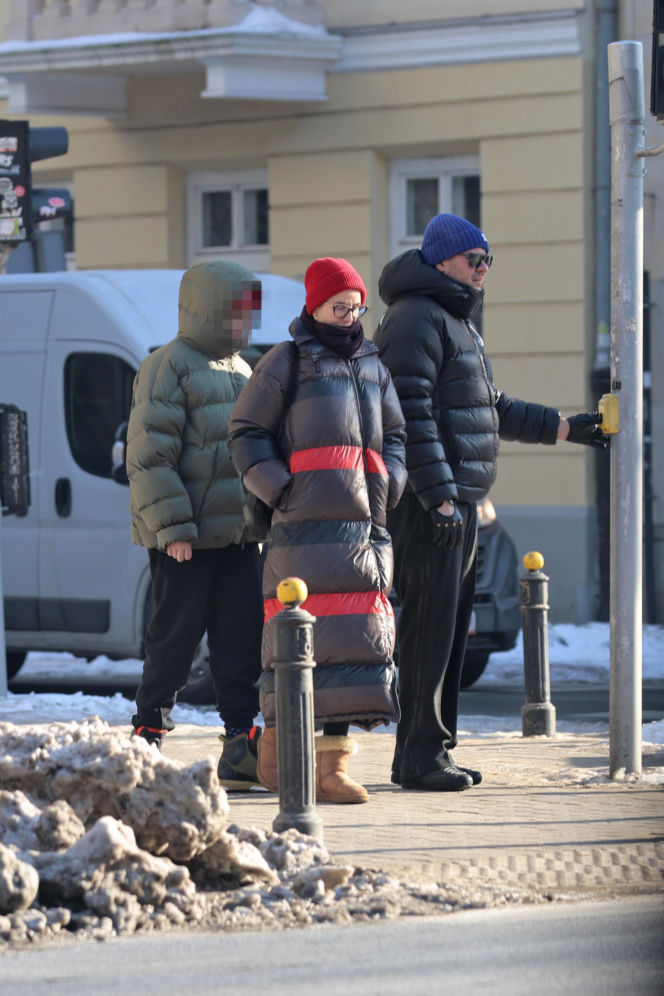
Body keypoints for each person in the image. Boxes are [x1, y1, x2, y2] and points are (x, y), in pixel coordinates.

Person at [374, 213, 608, 792]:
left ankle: (435, 751)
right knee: (429, 630)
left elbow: (489, 408)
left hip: (459, 502)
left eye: (487, 261)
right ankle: (418, 758)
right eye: (473, 260)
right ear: (441, 260)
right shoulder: (415, 320)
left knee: (452, 632)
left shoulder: (455, 321)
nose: (483, 271)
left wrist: (567, 428)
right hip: (434, 506)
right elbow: (412, 416)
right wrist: (441, 499)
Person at [228, 257, 407, 803]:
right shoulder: (287, 360)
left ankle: (330, 769)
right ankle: (278, 761)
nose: (349, 315)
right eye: (339, 306)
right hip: (303, 532)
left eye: (355, 307)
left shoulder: (374, 363)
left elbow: (397, 433)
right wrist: (282, 488)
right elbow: (246, 430)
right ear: (315, 305)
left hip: (361, 530)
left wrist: (390, 484)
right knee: (297, 645)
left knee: (352, 653)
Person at [126, 260, 265, 791]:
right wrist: (175, 528)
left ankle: (239, 742)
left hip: (237, 535)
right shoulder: (167, 365)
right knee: (174, 640)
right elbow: (149, 457)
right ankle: (147, 734)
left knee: (240, 639)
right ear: (207, 308)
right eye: (234, 311)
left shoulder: (241, 367)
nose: (242, 323)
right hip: (185, 538)